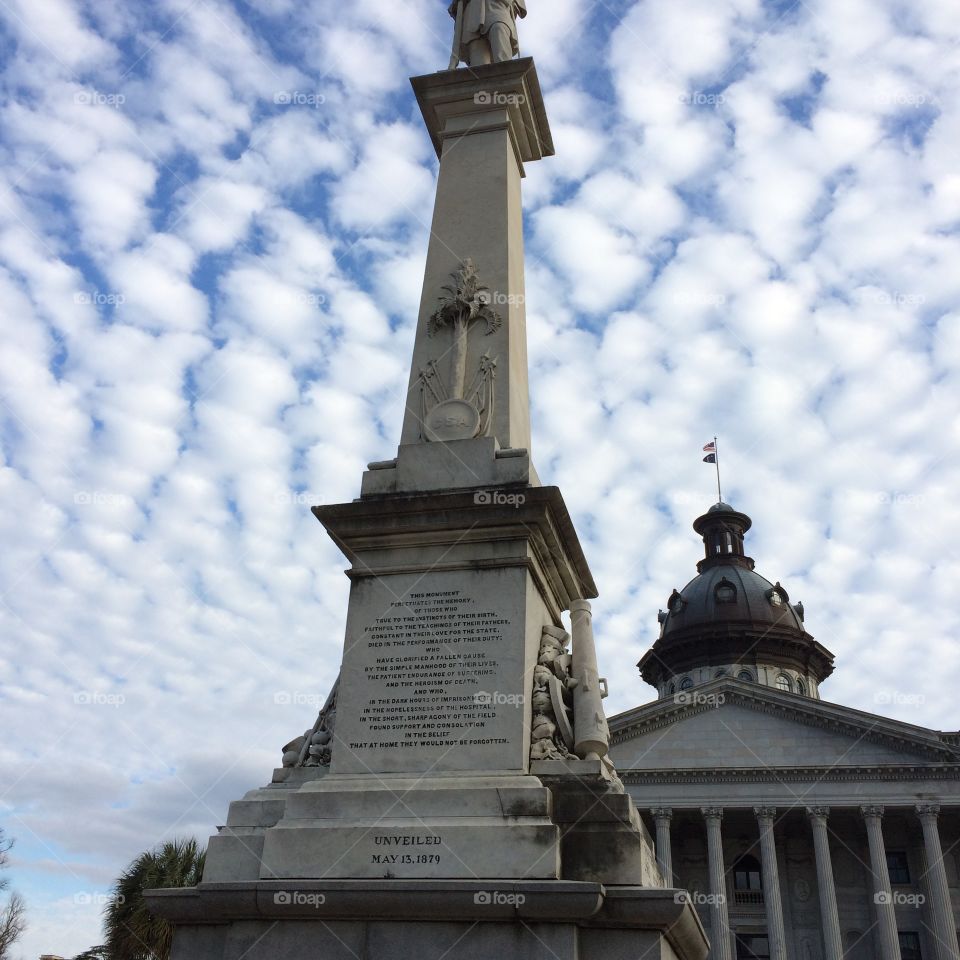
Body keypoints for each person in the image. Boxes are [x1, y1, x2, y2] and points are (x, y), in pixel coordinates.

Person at [448, 0, 527, 67]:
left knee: (499, 32)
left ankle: (509, 81)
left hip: (498, 7)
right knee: (479, 68)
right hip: (473, 14)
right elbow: (455, 7)